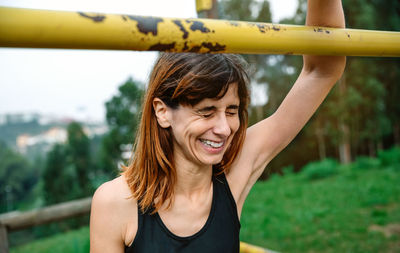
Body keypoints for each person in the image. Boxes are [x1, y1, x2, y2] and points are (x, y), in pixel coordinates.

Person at [90, 0, 346, 252]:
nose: (224, 129)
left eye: (232, 111)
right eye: (207, 112)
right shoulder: (114, 202)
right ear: (162, 112)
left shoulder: (235, 172)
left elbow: (322, 70)